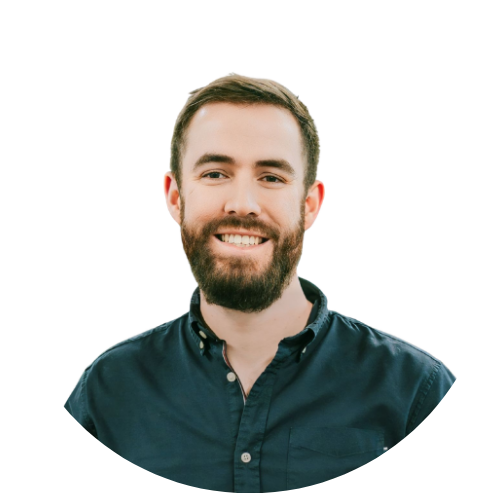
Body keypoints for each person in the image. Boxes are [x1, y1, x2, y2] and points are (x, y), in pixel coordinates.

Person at [64, 74, 455, 492]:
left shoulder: (415, 391)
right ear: (176, 197)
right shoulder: (109, 392)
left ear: (309, 205)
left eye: (271, 177)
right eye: (215, 173)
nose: (242, 204)